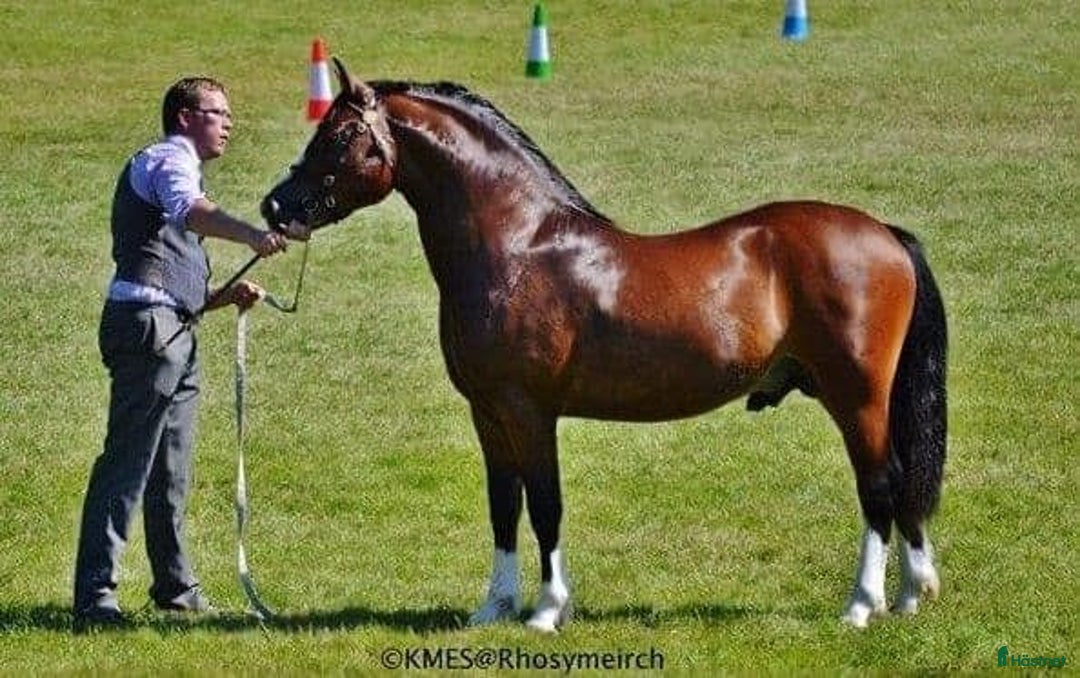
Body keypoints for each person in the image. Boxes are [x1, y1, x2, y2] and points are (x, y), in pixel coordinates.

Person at [73, 76, 309, 630]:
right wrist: (252, 235)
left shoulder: (181, 168)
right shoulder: (167, 160)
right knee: (127, 466)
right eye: (217, 112)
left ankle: (175, 588)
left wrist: (225, 296)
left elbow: (178, 271)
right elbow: (191, 212)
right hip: (149, 332)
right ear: (184, 116)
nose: (229, 122)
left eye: (229, 113)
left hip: (174, 330)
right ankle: (94, 598)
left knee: (171, 471)